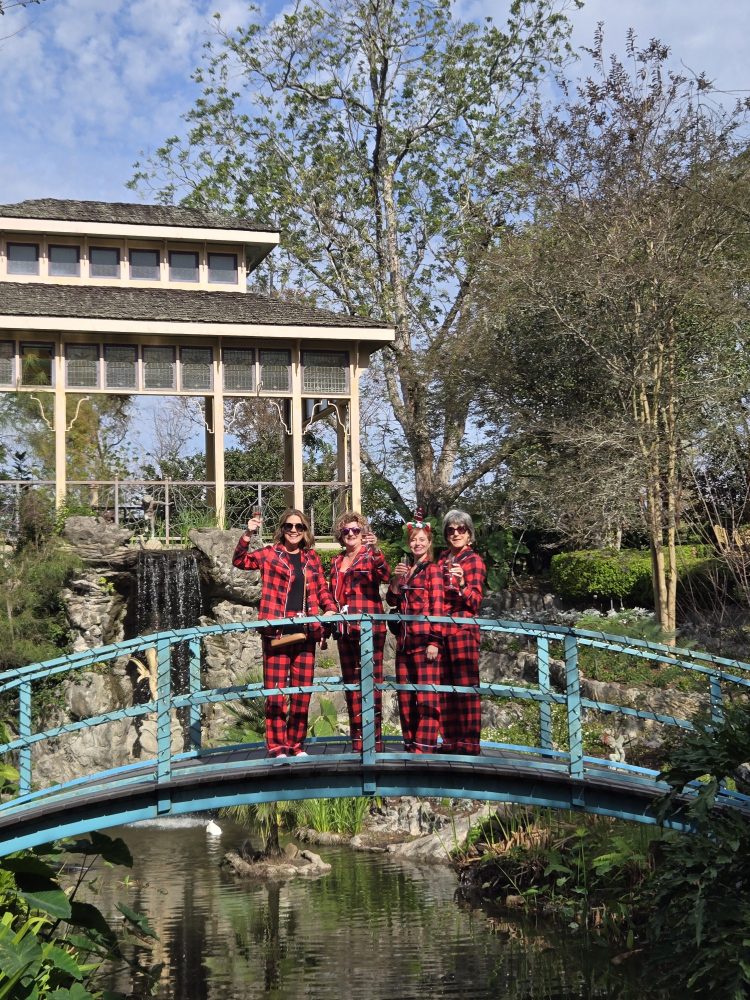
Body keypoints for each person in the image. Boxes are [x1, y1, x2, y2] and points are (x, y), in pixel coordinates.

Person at [232, 508, 336, 758]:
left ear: (305, 531)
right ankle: (277, 747)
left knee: (302, 693)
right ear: (282, 529)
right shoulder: (270, 554)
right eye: (289, 526)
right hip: (276, 632)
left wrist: (330, 608)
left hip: (305, 633)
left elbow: (321, 589)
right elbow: (240, 561)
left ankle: (296, 745)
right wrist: (248, 533)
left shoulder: (310, 558)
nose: (293, 530)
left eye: (298, 527)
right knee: (276, 694)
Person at [328, 511, 391, 752]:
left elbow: (385, 575)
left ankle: (373, 742)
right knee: (352, 684)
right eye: (347, 531)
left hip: (368, 629)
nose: (351, 534)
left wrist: (376, 551)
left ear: (363, 533)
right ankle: (357, 743)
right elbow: (333, 594)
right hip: (344, 629)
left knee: (371, 684)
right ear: (341, 535)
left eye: (356, 530)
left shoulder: (370, 556)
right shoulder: (336, 561)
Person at [386, 510, 444, 753]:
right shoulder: (406, 569)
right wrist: (397, 581)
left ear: (429, 543)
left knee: (427, 697)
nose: (417, 543)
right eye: (413, 540)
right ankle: (409, 744)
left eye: (421, 540)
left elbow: (438, 608)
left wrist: (435, 641)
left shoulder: (433, 570)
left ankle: (424, 747)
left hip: (424, 642)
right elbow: (391, 600)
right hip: (404, 642)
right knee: (405, 697)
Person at [437, 510, 486, 755]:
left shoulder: (473, 560)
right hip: (442, 631)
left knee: (465, 688)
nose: (455, 533)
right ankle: (449, 742)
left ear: (469, 534)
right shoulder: (442, 558)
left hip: (463, 631)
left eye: (461, 529)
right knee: (444, 688)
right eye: (451, 530)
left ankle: (469, 745)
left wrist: (463, 585)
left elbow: (475, 601)